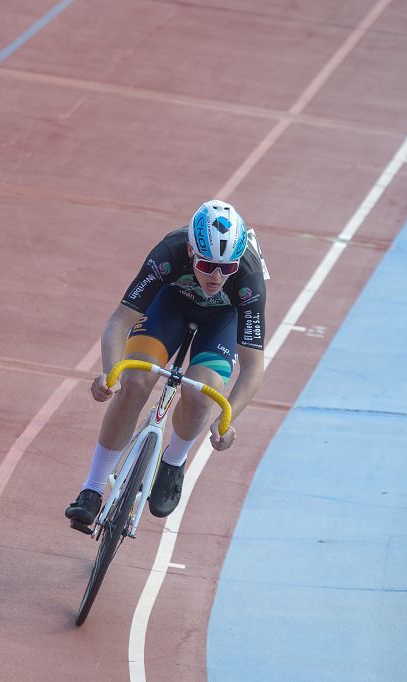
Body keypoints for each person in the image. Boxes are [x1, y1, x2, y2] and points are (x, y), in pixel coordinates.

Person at [65, 199, 269, 532]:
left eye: (226, 268)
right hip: (171, 305)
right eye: (206, 266)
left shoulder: (248, 277)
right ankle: (92, 488)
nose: (217, 277)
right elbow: (118, 323)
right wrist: (109, 373)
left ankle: (173, 462)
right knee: (135, 380)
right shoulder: (168, 253)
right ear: (190, 251)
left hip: (222, 319)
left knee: (203, 393)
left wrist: (226, 418)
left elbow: (253, 368)